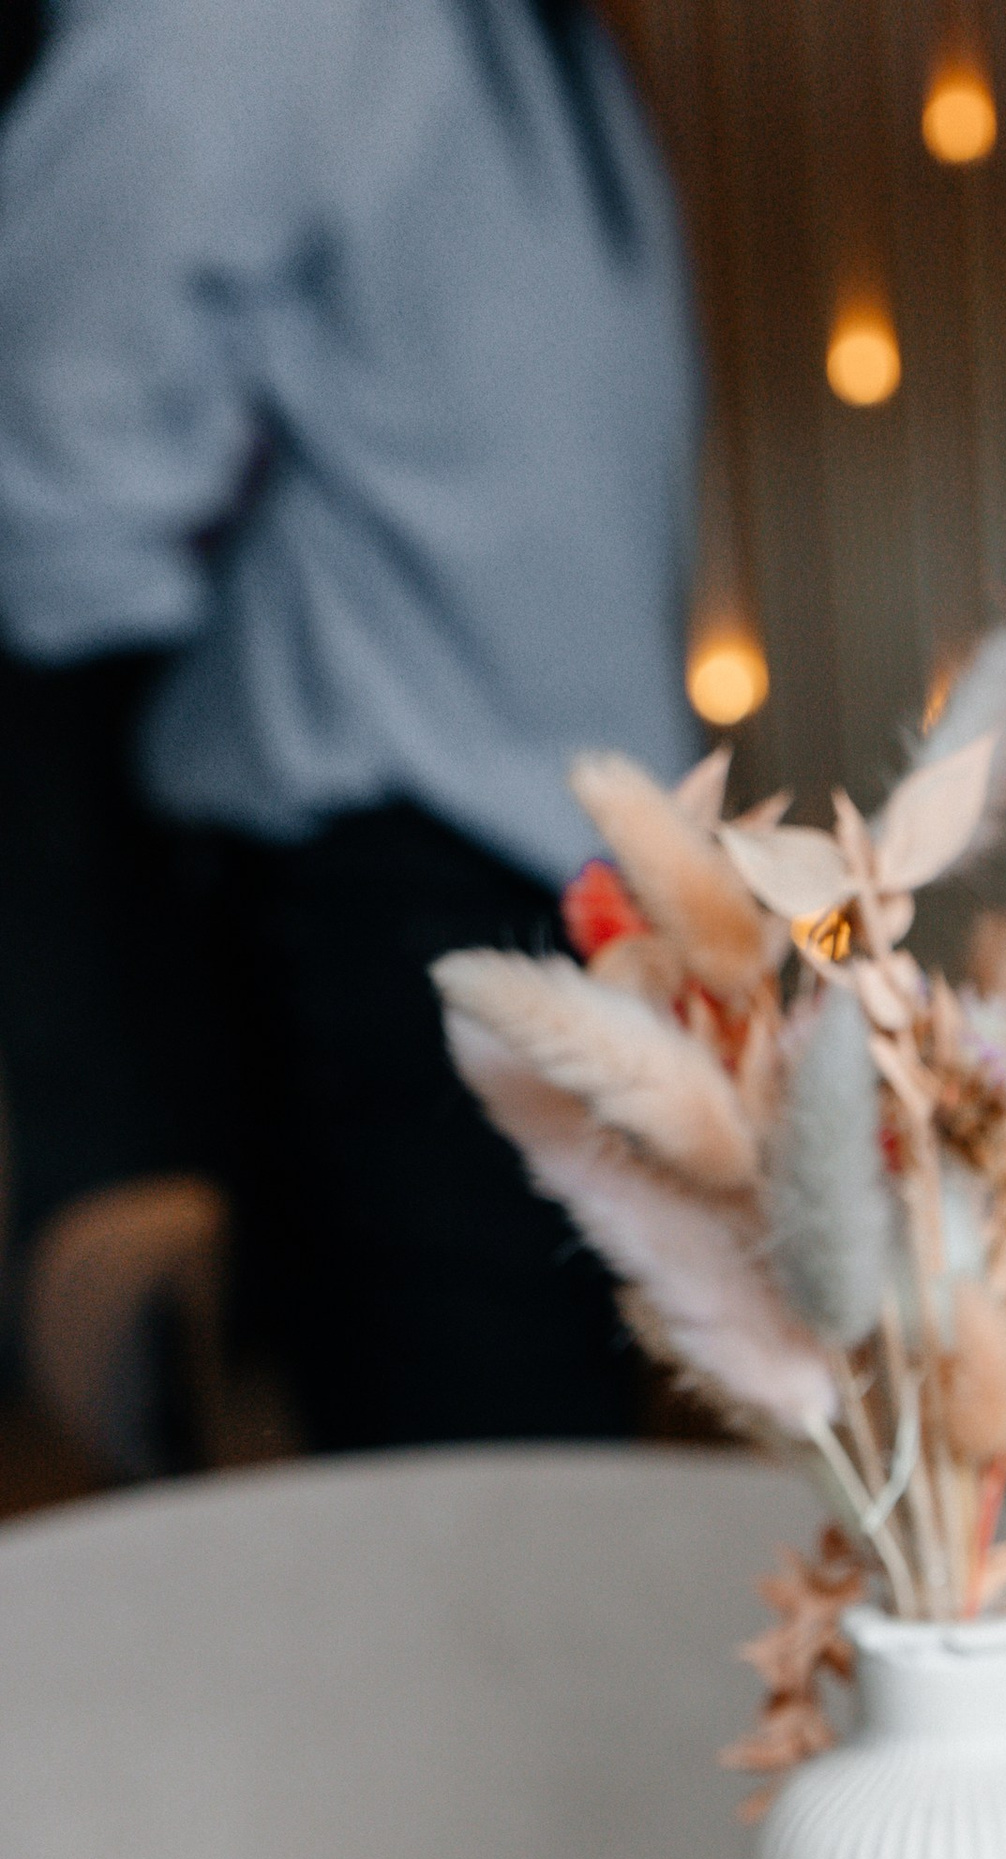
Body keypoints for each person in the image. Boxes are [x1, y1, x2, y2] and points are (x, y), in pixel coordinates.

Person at [0, 0, 703, 1448]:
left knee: (529, 1532)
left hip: (526, 918)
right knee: (464, 1560)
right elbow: (47, 482)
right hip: (392, 915)